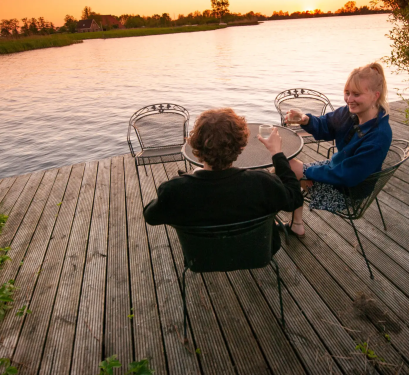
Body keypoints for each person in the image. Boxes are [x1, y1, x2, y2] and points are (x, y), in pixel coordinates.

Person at [143, 108, 303, 253]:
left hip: (203, 256)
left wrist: (183, 183)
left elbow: (151, 216)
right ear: (241, 147)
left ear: (196, 145)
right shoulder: (262, 183)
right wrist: (277, 153)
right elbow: (294, 198)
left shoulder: (175, 190)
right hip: (257, 252)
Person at [284, 62, 393, 237]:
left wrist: (306, 171)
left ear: (375, 96)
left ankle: (270, 228)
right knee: (286, 167)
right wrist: (306, 120)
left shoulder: (378, 136)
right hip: (337, 169)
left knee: (283, 171)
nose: (349, 99)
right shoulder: (350, 114)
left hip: (348, 191)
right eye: (347, 93)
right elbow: (326, 124)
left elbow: (348, 175)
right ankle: (296, 224)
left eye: (356, 94)